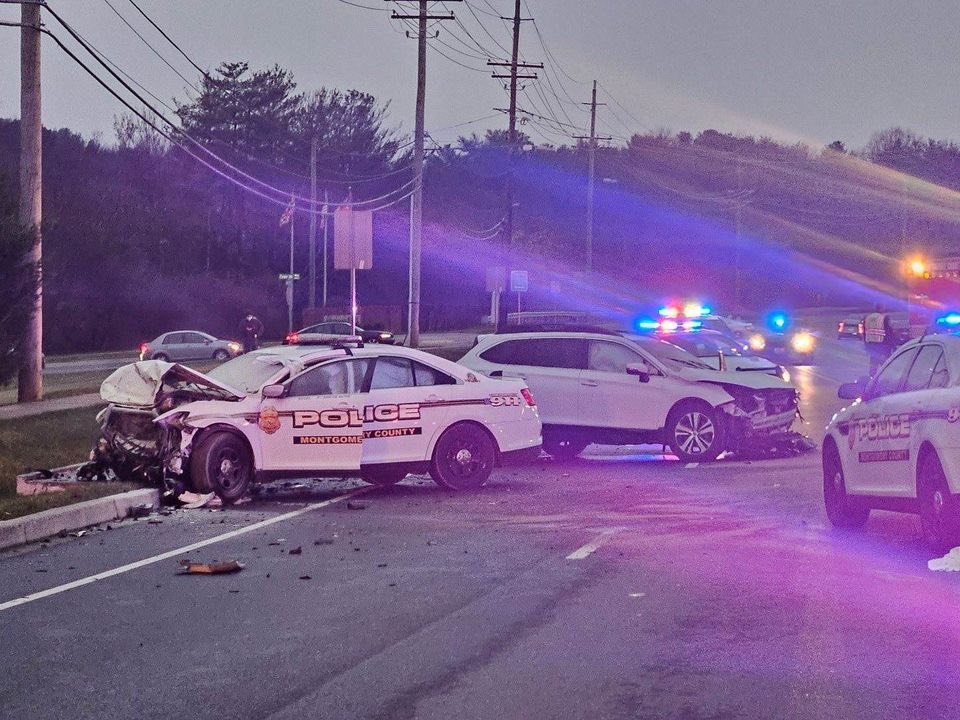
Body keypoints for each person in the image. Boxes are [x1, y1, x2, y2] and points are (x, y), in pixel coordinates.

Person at [863, 304, 895, 376]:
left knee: (873, 362)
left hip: (871, 344)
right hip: (883, 344)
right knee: (885, 363)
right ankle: (885, 377)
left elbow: (865, 332)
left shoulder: (867, 318)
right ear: (881, 309)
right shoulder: (884, 318)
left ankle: (872, 377)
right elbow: (889, 333)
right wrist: (893, 345)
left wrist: (866, 345)